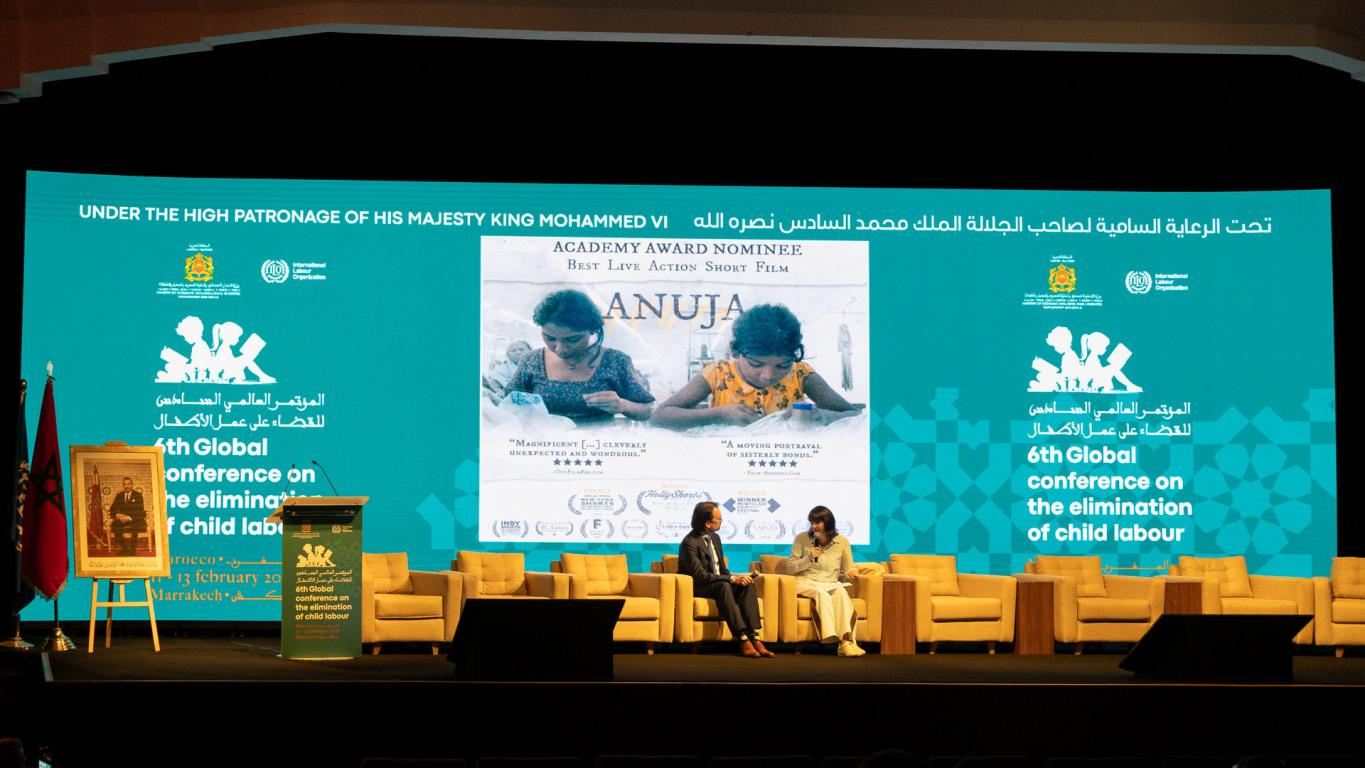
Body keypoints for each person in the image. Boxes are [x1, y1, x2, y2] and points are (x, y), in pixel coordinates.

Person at [652, 303, 857, 429]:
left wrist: (822, 416)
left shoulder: (802, 374)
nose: (768, 375)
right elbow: (660, 417)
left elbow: (853, 415)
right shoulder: (717, 373)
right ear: (736, 350)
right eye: (756, 364)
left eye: (783, 365)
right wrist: (718, 414)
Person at [508, 289, 655, 424]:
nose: (559, 348)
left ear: (593, 330)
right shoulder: (531, 361)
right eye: (549, 338)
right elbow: (509, 404)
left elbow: (646, 411)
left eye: (572, 340)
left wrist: (623, 405)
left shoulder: (616, 361)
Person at [677, 501, 774, 657]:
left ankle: (755, 637)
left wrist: (736, 579)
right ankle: (743, 640)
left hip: (718, 583)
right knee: (724, 585)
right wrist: (730, 579)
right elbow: (700, 576)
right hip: (699, 586)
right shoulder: (689, 543)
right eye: (719, 519)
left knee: (746, 584)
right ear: (707, 523)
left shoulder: (715, 538)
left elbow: (721, 568)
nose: (722, 521)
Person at [785, 505, 865, 656]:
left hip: (830, 582)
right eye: (812, 522)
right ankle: (830, 637)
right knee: (821, 593)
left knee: (841, 592)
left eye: (817, 523)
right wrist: (808, 558)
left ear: (828, 523)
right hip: (804, 582)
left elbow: (847, 569)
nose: (814, 526)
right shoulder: (802, 538)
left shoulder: (842, 541)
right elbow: (790, 568)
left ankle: (846, 642)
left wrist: (851, 572)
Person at [107, 477, 146, 556]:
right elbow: (112, 509)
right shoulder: (119, 495)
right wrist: (118, 515)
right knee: (115, 524)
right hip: (122, 519)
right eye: (124, 484)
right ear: (123, 486)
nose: (126, 486)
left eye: (128, 484)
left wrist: (129, 517)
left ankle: (132, 549)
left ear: (132, 485)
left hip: (134, 519)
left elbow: (140, 511)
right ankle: (124, 548)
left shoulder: (138, 495)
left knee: (136, 525)